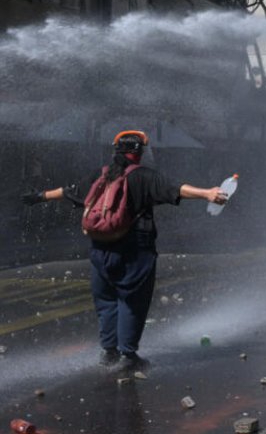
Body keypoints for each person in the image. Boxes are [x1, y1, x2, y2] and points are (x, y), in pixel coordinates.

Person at [20, 130, 228, 372]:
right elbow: (176, 189)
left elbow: (69, 191)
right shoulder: (145, 176)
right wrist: (207, 193)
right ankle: (128, 355)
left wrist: (39, 197)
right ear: (139, 153)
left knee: (106, 300)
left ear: (116, 151)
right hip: (135, 251)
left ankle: (109, 353)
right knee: (131, 302)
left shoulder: (102, 174)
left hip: (101, 247)